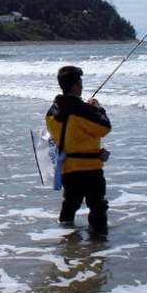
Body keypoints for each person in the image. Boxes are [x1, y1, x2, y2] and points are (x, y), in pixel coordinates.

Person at [45, 65, 112, 235]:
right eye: (80, 82)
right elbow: (104, 128)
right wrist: (98, 108)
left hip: (67, 168)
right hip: (90, 169)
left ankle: (66, 240)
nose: (82, 86)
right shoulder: (83, 110)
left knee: (70, 205)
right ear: (75, 85)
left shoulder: (51, 112)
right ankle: (98, 246)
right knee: (97, 208)